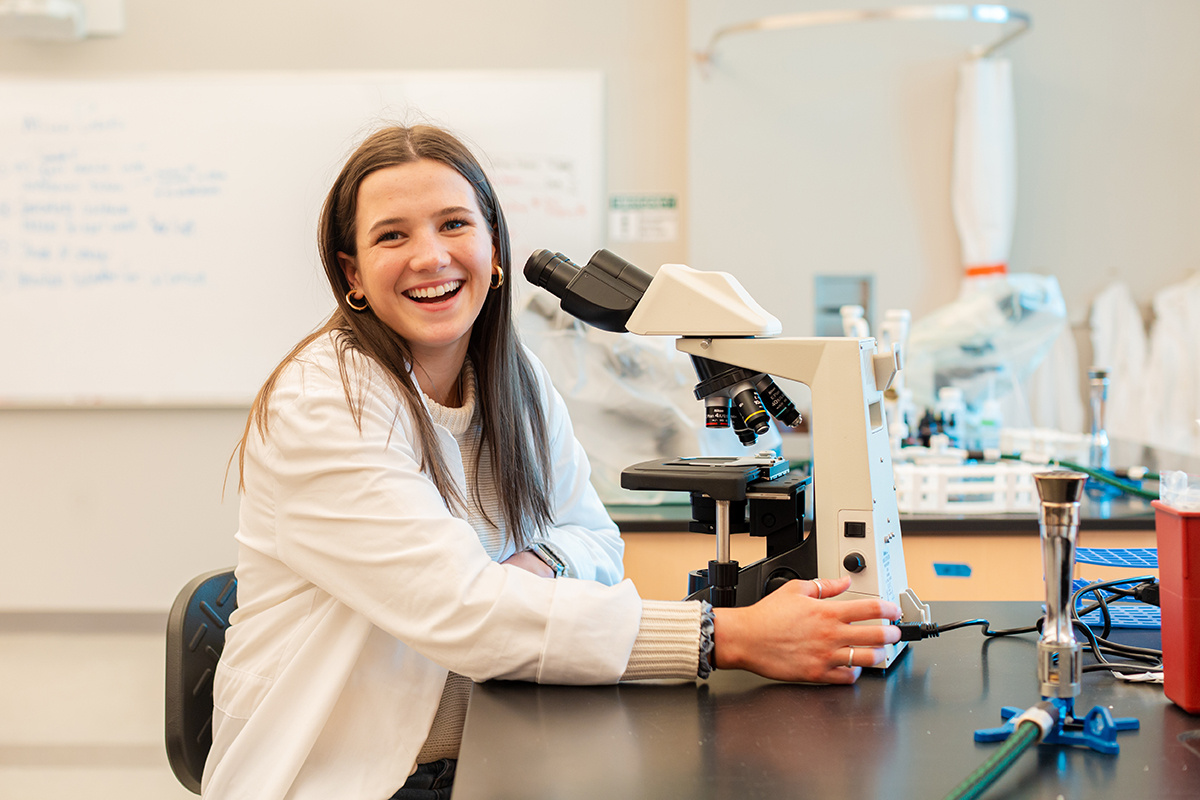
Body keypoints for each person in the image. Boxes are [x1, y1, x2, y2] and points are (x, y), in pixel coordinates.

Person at [203, 124, 902, 800]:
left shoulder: (515, 380)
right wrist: (730, 636)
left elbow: (595, 540)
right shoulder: (325, 402)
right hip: (354, 779)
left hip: (499, 742)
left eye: (453, 225)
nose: (430, 256)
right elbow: (466, 613)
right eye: (393, 234)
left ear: (495, 249)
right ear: (351, 273)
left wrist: (532, 569)